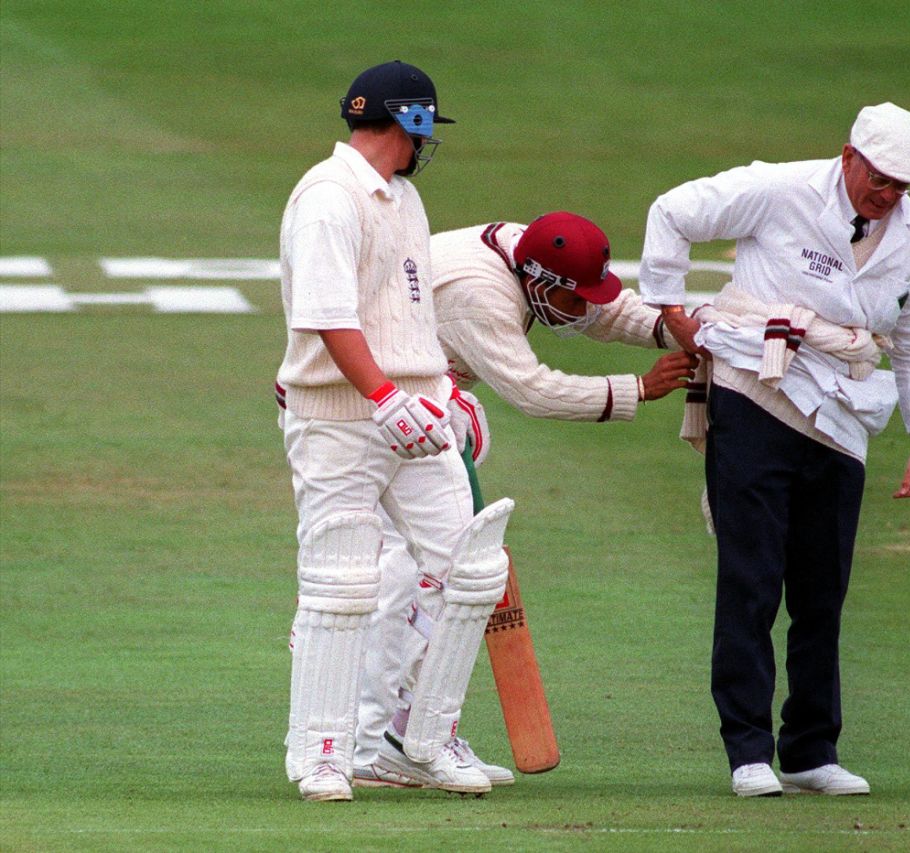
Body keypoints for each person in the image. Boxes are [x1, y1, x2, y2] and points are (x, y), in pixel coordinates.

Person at [638, 103, 910, 797]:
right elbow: (672, 211)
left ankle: (810, 749)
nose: (890, 195)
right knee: (751, 577)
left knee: (821, 591)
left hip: (844, 414)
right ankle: (748, 749)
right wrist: (670, 308)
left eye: (905, 186)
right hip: (755, 387)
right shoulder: (780, 188)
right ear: (849, 156)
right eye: (883, 177)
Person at [348, 212, 699, 788]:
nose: (583, 310)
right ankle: (394, 740)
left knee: (422, 574)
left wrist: (675, 328)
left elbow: (599, 306)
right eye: (571, 297)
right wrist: (638, 387)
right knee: (426, 576)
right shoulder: (478, 296)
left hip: (414, 404)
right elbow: (532, 390)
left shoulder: (532, 255)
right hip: (389, 415)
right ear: (536, 280)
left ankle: (396, 737)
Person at [276, 59, 495, 801]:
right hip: (341, 417)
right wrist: (381, 396)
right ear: (410, 121)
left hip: (416, 412)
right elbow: (329, 315)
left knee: (468, 570)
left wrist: (438, 390)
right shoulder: (328, 198)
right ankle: (324, 751)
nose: (424, 146)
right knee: (342, 581)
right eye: (424, 129)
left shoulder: (401, 198)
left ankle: (418, 741)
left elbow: (405, 310)